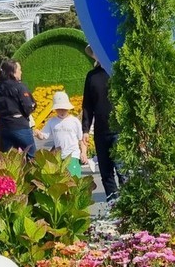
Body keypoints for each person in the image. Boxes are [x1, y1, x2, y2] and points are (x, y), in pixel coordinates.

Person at [81, 44, 126, 201]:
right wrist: (85, 130)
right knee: (106, 173)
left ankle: (128, 204)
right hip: (101, 131)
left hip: (119, 129)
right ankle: (113, 204)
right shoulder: (92, 76)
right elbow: (87, 105)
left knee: (122, 170)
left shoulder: (117, 73)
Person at [0, 59, 37, 159]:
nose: (21, 72)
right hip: (20, 126)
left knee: (9, 159)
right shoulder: (19, 87)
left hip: (5, 126)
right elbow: (29, 106)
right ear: (13, 72)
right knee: (32, 156)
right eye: (19, 69)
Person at [39, 91, 88, 176]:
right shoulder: (52, 121)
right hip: (59, 157)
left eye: (64, 109)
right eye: (59, 109)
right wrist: (38, 134)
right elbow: (43, 135)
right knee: (62, 180)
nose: (61, 111)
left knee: (73, 179)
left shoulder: (74, 121)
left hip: (73, 155)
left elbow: (81, 139)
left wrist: (83, 153)